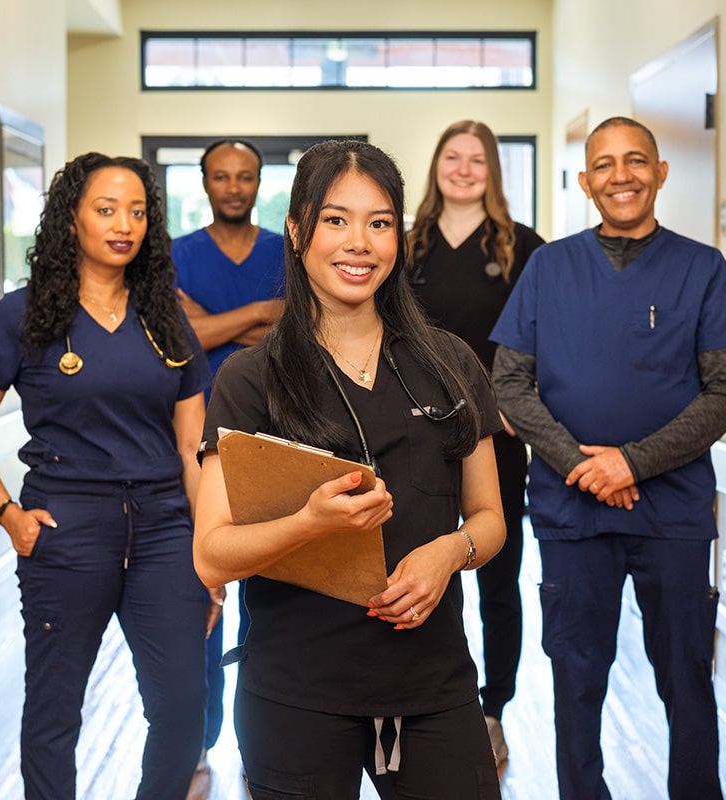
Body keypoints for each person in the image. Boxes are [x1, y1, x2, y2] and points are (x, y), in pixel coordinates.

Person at [192, 139, 508, 799]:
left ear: (399, 233)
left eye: (379, 222)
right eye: (335, 220)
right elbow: (213, 556)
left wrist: (449, 552)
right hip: (296, 693)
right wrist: (308, 522)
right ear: (298, 227)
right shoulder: (252, 381)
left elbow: (489, 519)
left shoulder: (452, 363)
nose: (358, 242)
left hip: (435, 685)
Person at [489, 117, 726, 800]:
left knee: (686, 673)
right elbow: (509, 383)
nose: (621, 176)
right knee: (577, 677)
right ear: (586, 183)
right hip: (570, 513)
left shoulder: (702, 268)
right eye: (604, 165)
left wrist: (632, 464)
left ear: (661, 172)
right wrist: (584, 466)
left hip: (672, 514)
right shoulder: (548, 267)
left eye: (635, 161)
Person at [0, 153, 213, 800]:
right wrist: (11, 517)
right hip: (65, 530)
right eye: (106, 209)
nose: (125, 223)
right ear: (72, 220)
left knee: (182, 709)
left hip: (164, 531)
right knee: (54, 714)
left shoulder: (166, 317)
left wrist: (210, 555)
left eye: (139, 211)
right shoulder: (23, 315)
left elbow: (192, 449)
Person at [407, 119, 546, 767]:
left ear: (494, 171)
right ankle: (421, 701)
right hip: (411, 434)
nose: (464, 170)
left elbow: (551, 341)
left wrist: (522, 404)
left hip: (496, 437)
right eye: (452, 158)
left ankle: (492, 710)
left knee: (497, 575)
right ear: (436, 166)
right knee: (415, 567)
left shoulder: (524, 249)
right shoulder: (406, 246)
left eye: (477, 161)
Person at [170, 138, 285, 768]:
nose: (233, 187)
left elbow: (298, 327)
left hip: (278, 437)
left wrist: (213, 323)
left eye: (245, 176)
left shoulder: (284, 251)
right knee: (204, 591)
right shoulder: (175, 254)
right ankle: (202, 737)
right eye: (222, 176)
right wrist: (260, 313)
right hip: (196, 442)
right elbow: (178, 337)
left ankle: (261, 738)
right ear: (205, 183)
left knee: (269, 595)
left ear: (259, 181)